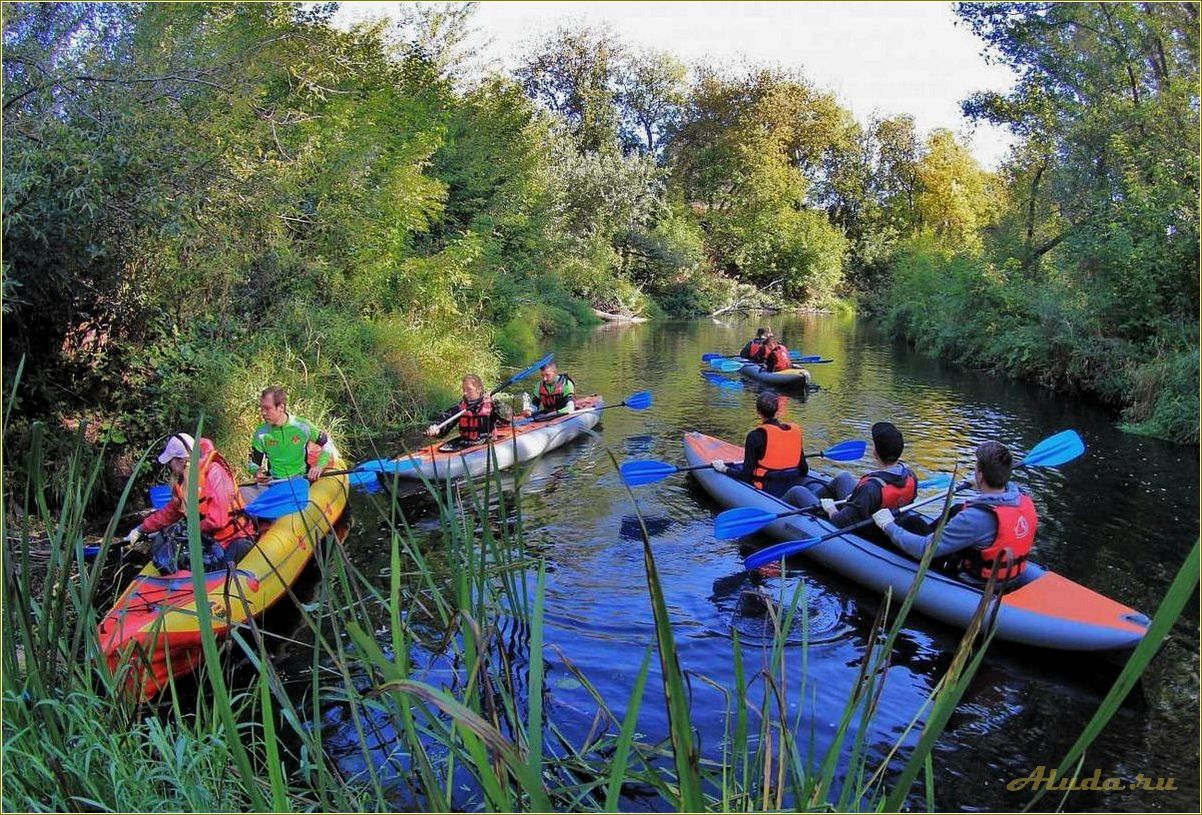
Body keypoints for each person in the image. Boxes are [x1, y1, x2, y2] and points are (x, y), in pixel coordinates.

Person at [873, 441, 1037, 582]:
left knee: (910, 522)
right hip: (1009, 574)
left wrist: (888, 525)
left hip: (974, 580)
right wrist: (980, 485)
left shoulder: (975, 518)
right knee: (957, 508)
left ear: (980, 475)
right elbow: (999, 495)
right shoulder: (1023, 499)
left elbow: (922, 550)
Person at [123, 434, 257, 571]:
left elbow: (219, 520)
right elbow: (170, 512)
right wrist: (141, 529)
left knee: (222, 569)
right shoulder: (184, 483)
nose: (169, 465)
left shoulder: (214, 473)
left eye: (171, 461)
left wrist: (190, 529)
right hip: (210, 540)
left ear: (182, 460)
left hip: (235, 538)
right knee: (165, 546)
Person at [782, 421, 918, 527]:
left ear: (875, 453)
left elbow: (839, 521)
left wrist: (830, 509)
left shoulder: (871, 488)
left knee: (797, 491)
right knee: (844, 477)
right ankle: (811, 502)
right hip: (870, 511)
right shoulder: (910, 476)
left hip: (858, 528)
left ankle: (781, 508)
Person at [712, 390, 807, 498]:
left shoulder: (755, 436)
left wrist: (723, 468)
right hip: (790, 484)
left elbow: (745, 476)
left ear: (758, 412)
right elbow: (804, 470)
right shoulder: (794, 432)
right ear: (777, 411)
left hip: (766, 488)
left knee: (738, 469)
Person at [249, 386, 337, 483]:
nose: (263, 413)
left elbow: (327, 443)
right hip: (274, 483)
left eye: (267, 408)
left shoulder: (302, 426)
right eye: (262, 409)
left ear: (281, 407)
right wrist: (256, 471)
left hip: (301, 479)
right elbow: (252, 462)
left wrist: (319, 466)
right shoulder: (261, 433)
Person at [426, 373, 501, 451]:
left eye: (469, 389)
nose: (465, 393)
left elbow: (507, 417)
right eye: (464, 390)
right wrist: (436, 428)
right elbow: (446, 418)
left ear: (479, 389)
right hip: (466, 443)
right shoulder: (461, 408)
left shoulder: (492, 405)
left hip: (487, 441)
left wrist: (496, 403)